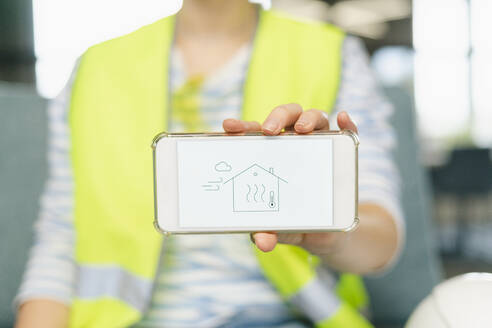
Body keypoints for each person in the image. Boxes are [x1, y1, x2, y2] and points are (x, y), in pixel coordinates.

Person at [15, 0, 403, 327]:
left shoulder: (331, 55)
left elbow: (380, 241)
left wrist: (330, 231)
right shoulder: (96, 69)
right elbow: (61, 238)